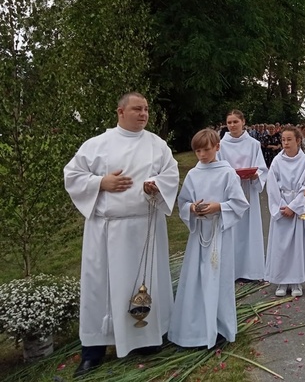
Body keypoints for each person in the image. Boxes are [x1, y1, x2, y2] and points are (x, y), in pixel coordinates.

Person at [64, 92, 179, 377]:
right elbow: (72, 175)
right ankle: (94, 350)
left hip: (145, 229)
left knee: (144, 285)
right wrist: (101, 182)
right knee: (100, 289)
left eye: (146, 109)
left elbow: (171, 174)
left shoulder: (157, 145)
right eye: (137, 109)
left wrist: (156, 186)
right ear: (120, 112)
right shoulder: (97, 145)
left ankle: (145, 341)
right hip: (107, 231)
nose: (143, 114)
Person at [168, 129, 249, 349]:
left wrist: (218, 207)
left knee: (218, 279)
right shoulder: (194, 174)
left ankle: (220, 328)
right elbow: (183, 202)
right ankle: (194, 328)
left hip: (219, 233)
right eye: (198, 151)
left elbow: (239, 203)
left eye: (206, 149)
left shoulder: (227, 173)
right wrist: (192, 208)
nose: (202, 155)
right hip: (199, 235)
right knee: (195, 278)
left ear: (217, 147)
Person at [217, 109, 268, 282]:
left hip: (247, 190)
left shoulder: (253, 144)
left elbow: (261, 168)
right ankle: (231, 270)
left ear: (243, 122)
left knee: (249, 229)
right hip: (230, 193)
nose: (232, 125)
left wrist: (256, 175)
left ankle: (250, 271)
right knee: (232, 230)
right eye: (229, 122)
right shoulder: (221, 145)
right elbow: (217, 167)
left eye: (235, 122)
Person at [264, 126, 305, 297]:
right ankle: (281, 281)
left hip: (296, 209)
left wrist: (294, 207)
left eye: (289, 139)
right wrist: (280, 207)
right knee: (281, 246)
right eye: (283, 140)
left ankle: (296, 281)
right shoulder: (277, 161)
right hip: (281, 207)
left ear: (298, 140)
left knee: (296, 247)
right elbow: (271, 185)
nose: (285, 143)